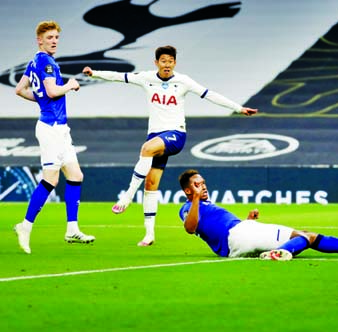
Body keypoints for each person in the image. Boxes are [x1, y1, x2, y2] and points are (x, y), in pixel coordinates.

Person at [82, 46, 258, 247]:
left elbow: (210, 94)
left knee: (146, 149)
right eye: (163, 61)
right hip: (156, 135)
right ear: (156, 62)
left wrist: (238, 108)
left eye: (170, 61)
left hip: (176, 134)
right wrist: (94, 73)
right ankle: (149, 235)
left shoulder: (183, 81)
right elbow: (119, 76)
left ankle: (127, 196)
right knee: (151, 184)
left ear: (175, 63)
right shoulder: (146, 77)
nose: (167, 65)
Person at [13, 20, 95, 254]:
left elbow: (19, 90)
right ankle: (25, 226)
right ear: (39, 40)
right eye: (50, 38)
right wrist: (69, 85)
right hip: (51, 128)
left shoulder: (34, 61)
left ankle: (72, 229)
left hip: (59, 128)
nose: (54, 41)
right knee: (51, 180)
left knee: (76, 175)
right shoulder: (47, 62)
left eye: (56, 37)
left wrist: (41, 101)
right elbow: (51, 91)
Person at [178, 169, 338, 260]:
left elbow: (216, 228)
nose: (202, 187)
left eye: (203, 183)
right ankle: (283, 253)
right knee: (305, 237)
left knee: (304, 235)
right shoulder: (188, 207)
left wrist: (247, 220)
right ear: (188, 190)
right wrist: (195, 198)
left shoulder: (205, 205)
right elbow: (190, 228)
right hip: (238, 236)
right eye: (197, 184)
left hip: (239, 239)